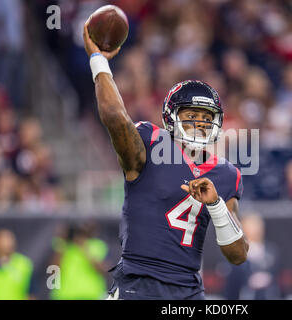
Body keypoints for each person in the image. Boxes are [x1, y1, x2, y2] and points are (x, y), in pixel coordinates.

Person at [83, 21, 248, 300]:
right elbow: (114, 117)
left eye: (207, 117)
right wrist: (98, 61)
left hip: (189, 290)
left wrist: (216, 205)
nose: (199, 122)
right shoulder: (150, 141)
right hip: (139, 283)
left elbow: (238, 254)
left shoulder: (226, 174)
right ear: (172, 117)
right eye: (191, 115)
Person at [50, 222, 110, 300]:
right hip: (64, 296)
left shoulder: (97, 245)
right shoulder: (61, 246)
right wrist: (61, 243)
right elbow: (53, 271)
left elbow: (104, 270)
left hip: (91, 295)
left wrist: (84, 247)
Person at [0, 229, 34, 300]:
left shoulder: (24, 264)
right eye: (3, 239)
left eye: (10, 238)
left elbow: (31, 293)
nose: (7, 242)